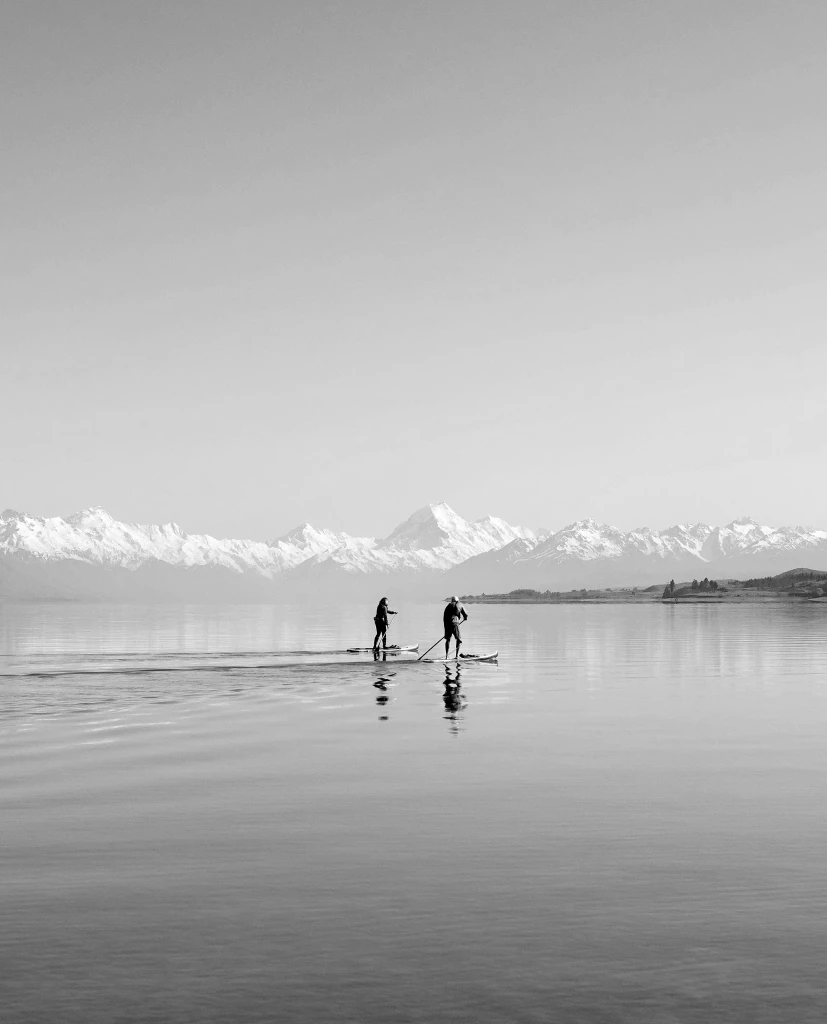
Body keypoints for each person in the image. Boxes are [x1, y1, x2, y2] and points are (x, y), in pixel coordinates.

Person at [443, 595, 468, 659]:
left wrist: (446, 628)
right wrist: (465, 618)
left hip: (447, 624)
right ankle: (456, 656)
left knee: (448, 639)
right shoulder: (459, 604)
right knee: (458, 639)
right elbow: (465, 614)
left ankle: (446, 656)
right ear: (457, 600)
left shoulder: (448, 606)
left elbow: (444, 617)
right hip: (455, 623)